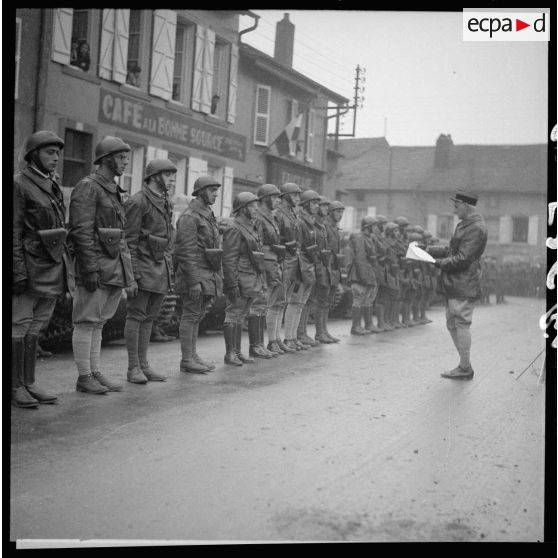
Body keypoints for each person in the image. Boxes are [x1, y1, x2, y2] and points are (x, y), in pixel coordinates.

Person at [69, 136, 135, 394]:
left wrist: (127, 274)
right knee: (86, 321)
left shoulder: (112, 189)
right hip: (97, 266)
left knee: (98, 323)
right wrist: (89, 269)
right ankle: (84, 376)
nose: (125, 163)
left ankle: (94, 372)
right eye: (120, 157)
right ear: (106, 158)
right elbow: (81, 231)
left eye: (126, 158)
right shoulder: (89, 187)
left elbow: (121, 235)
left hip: (113, 268)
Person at [12, 131, 74, 408]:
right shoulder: (19, 185)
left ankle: (30, 382)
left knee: (36, 326)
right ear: (34, 154)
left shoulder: (51, 185)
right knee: (18, 326)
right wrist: (17, 272)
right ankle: (14, 386)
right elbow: (11, 232)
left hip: (50, 265)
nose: (56, 158)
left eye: (58, 153)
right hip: (28, 266)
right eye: (50, 152)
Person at [123, 159, 176, 383]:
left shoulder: (165, 201)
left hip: (159, 266)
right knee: (136, 316)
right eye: (168, 175)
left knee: (150, 317)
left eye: (173, 175)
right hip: (143, 267)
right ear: (155, 177)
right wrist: (132, 276)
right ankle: (133, 368)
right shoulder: (138, 201)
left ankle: (144, 365)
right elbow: (129, 242)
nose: (172, 180)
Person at [427, 189, 487, 380]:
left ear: (466, 206)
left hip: (463, 282)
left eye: (456, 205)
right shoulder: (467, 225)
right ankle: (464, 365)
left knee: (460, 322)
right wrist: (428, 250)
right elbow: (452, 250)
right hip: (457, 283)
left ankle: (465, 367)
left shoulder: (476, 228)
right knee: (453, 323)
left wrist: (436, 262)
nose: (454, 210)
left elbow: (462, 258)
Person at [174, 175, 223, 374]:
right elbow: (186, 252)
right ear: (201, 192)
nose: (216, 194)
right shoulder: (189, 217)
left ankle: (192, 356)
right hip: (194, 274)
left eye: (216, 191)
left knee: (197, 316)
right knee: (190, 315)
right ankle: (187, 359)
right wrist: (193, 282)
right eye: (212, 191)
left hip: (206, 273)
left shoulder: (206, 214)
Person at [222, 192, 266, 366]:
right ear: (242, 209)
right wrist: (232, 283)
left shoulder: (249, 226)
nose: (256, 209)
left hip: (250, 276)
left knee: (241, 315)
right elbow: (229, 259)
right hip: (240, 277)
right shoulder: (234, 228)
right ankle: (230, 354)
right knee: (233, 314)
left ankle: (238, 352)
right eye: (252, 206)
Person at [253, 183, 286, 356]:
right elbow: (257, 244)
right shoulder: (259, 217)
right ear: (265, 198)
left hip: (274, 262)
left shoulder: (271, 217)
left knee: (273, 302)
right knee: (262, 304)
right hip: (266, 264)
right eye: (273, 197)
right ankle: (259, 345)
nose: (276, 200)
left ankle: (271, 342)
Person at [274, 182, 305, 352]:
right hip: (284, 260)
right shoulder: (278, 215)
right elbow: (275, 240)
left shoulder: (293, 215)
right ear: (285, 196)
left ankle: (288, 338)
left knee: (288, 301)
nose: (297, 199)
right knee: (279, 301)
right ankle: (275, 339)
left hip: (294, 261)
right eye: (294, 195)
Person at [294, 190, 321, 348]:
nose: (316, 206)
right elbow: (299, 248)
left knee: (304, 303)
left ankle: (302, 333)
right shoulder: (301, 222)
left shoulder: (311, 221)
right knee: (298, 303)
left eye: (317, 203)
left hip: (310, 265)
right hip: (303, 266)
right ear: (305, 205)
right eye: (313, 203)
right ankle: (299, 334)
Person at [346, 216, 378, 335]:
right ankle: (356, 326)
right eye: (374, 226)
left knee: (367, 300)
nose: (376, 228)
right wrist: (364, 277)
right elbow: (359, 259)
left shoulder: (368, 238)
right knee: (358, 300)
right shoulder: (360, 238)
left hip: (366, 273)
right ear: (368, 227)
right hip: (360, 274)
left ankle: (367, 324)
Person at [321, 200, 346, 342]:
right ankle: (320, 332)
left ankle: (324, 330)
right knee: (322, 301)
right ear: (330, 212)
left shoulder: (334, 228)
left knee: (328, 301)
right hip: (327, 267)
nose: (340, 215)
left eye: (342, 212)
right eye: (337, 212)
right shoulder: (325, 226)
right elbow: (324, 248)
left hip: (334, 268)